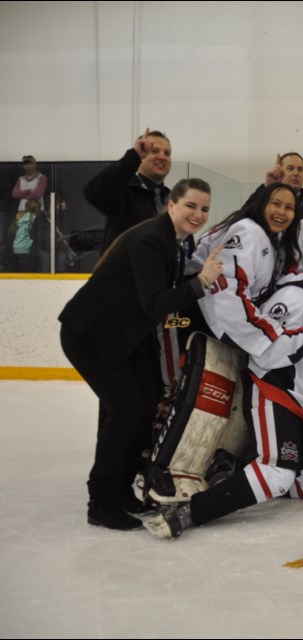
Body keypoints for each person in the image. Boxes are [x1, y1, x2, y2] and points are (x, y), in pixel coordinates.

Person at [144, 262, 303, 538]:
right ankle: (192, 512)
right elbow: (265, 352)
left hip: (300, 403)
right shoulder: (296, 299)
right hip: (272, 389)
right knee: (279, 475)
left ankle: (235, 468)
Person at [58, 178, 223, 530]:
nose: (198, 214)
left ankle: (118, 489)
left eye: (205, 208)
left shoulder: (175, 239)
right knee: (127, 410)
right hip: (90, 334)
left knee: (145, 403)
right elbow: (154, 304)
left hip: (121, 335)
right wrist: (202, 282)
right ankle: (100, 501)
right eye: (191, 205)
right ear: (172, 205)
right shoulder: (152, 239)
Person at [189, 182, 302, 359]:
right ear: (262, 203)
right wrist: (268, 336)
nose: (282, 212)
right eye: (275, 204)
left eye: (289, 207)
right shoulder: (249, 233)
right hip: (197, 316)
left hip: (208, 316)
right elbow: (227, 293)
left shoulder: (269, 237)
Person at [84, 129, 172, 253]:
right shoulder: (122, 192)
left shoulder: (173, 199)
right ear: (141, 156)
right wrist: (133, 156)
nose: (162, 156)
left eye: (167, 153)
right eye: (154, 151)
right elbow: (93, 193)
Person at [6, 198, 45, 272]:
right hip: (26, 249)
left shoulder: (20, 216)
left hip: (16, 247)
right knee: (27, 272)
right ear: (38, 208)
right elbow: (35, 234)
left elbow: (11, 232)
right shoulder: (34, 218)